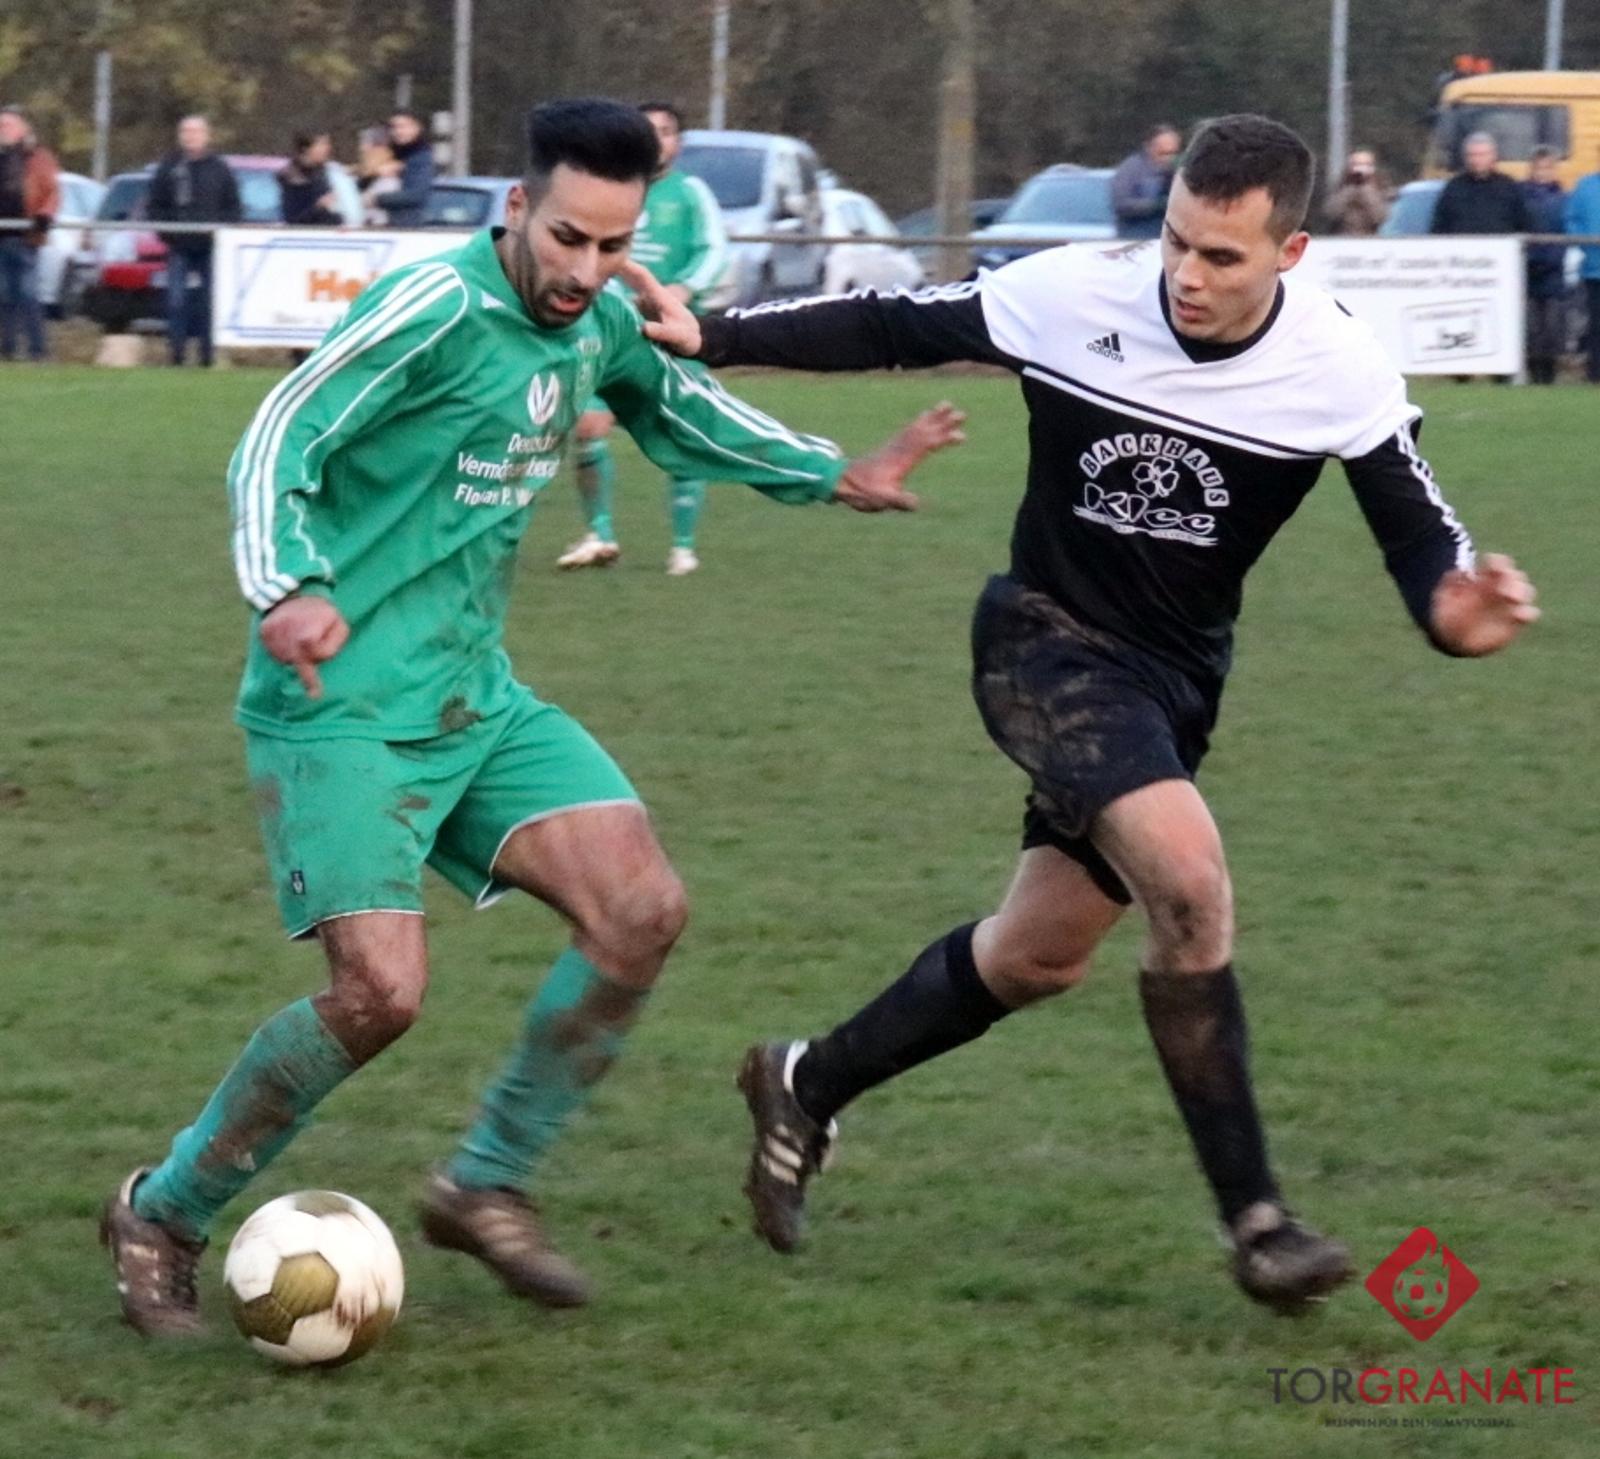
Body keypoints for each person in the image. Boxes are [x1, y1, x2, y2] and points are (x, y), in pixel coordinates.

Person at [630, 113, 1539, 1311]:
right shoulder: (1070, 294)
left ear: (1291, 253)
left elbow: (1418, 533)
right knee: (1190, 885)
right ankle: (1259, 1222)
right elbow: (896, 322)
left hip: (1174, 681)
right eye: (1176, 241)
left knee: (1038, 954)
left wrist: (1451, 607)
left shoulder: (1337, 365)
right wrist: (718, 333)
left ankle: (805, 1081)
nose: (1187, 274)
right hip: (1043, 641)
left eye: (1222, 256)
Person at [99, 97, 962, 1338]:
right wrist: (287, 588)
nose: (588, 270)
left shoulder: (597, 319)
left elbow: (679, 408)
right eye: (567, 238)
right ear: (515, 208)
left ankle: (484, 1182)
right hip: (336, 705)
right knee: (380, 995)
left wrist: (836, 471)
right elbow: (281, 431)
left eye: (614, 246)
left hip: (474, 699)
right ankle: (163, 1211)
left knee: (640, 908)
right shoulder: (432, 307)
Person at [558, 101, 732, 575]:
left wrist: (682, 289)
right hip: (613, 332)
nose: (656, 139)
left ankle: (682, 548)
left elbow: (714, 249)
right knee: (589, 427)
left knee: (682, 434)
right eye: (646, 129)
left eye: (666, 130)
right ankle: (600, 535)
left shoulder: (691, 192)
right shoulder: (607, 190)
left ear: (679, 142)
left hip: (675, 332)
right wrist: (613, 298)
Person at [147, 116, 241, 367]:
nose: (191, 136)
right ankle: (176, 355)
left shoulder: (219, 168)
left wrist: (222, 233)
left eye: (196, 131)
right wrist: (168, 234)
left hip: (211, 247)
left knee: (209, 302)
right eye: (186, 131)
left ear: (207, 135)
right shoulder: (169, 167)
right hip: (179, 246)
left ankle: (206, 356)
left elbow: (233, 207)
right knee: (176, 302)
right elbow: (155, 206)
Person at [0, 104, 60, 362]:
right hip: (2, 237)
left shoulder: (39, 157)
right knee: (4, 295)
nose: (2, 130)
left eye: (7, 125)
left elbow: (52, 192)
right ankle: (7, 350)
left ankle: (38, 350)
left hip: (26, 236)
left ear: (23, 128)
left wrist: (44, 215)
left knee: (28, 294)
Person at [1521, 148, 1567, 385]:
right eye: (1538, 168)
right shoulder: (1521, 197)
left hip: (1553, 270)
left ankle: (1549, 373)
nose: (1542, 173)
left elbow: (1565, 231)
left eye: (1547, 168)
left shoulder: (1562, 198)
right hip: (1527, 270)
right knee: (1531, 327)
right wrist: (1528, 260)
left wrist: (1553, 258)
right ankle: (1533, 371)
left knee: (1552, 325)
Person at [1430, 132, 1530, 236]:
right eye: (1472, 155)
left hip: (1500, 245)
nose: (1476, 160)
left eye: (1482, 155)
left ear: (1493, 156)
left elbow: (1524, 227)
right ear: (1465, 158)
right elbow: (1438, 229)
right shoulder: (1453, 188)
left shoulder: (1509, 187)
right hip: (1460, 245)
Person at [1111, 124, 1181, 241]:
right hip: (1136, 237)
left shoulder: (1178, 170)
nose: (1168, 158)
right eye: (1162, 153)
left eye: (1173, 153)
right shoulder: (1131, 169)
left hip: (1167, 239)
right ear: (1149, 147)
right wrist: (1155, 205)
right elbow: (1121, 204)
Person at [1566, 147, 1600, 385]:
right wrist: (1586, 244)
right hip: (1593, 269)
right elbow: (1571, 220)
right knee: (1595, 325)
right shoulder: (1584, 186)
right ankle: (1596, 373)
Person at [379, 109, 434, 228]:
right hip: (385, 226)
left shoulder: (422, 158)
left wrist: (377, 200)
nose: (398, 131)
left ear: (417, 128)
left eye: (403, 126)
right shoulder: (388, 155)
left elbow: (417, 195)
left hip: (407, 228)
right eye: (394, 127)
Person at [277, 131, 343, 227]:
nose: (327, 148)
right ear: (306, 149)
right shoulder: (293, 178)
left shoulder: (324, 172)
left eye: (327, 144)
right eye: (321, 144)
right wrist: (320, 206)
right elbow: (293, 220)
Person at [1322, 147, 1389, 236]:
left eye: (1365, 165)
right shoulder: (1340, 187)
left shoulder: (1381, 188)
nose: (1360, 170)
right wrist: (1350, 190)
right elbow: (1331, 213)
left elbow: (1380, 217)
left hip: (1370, 238)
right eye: (1356, 165)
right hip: (1341, 237)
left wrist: (1366, 190)